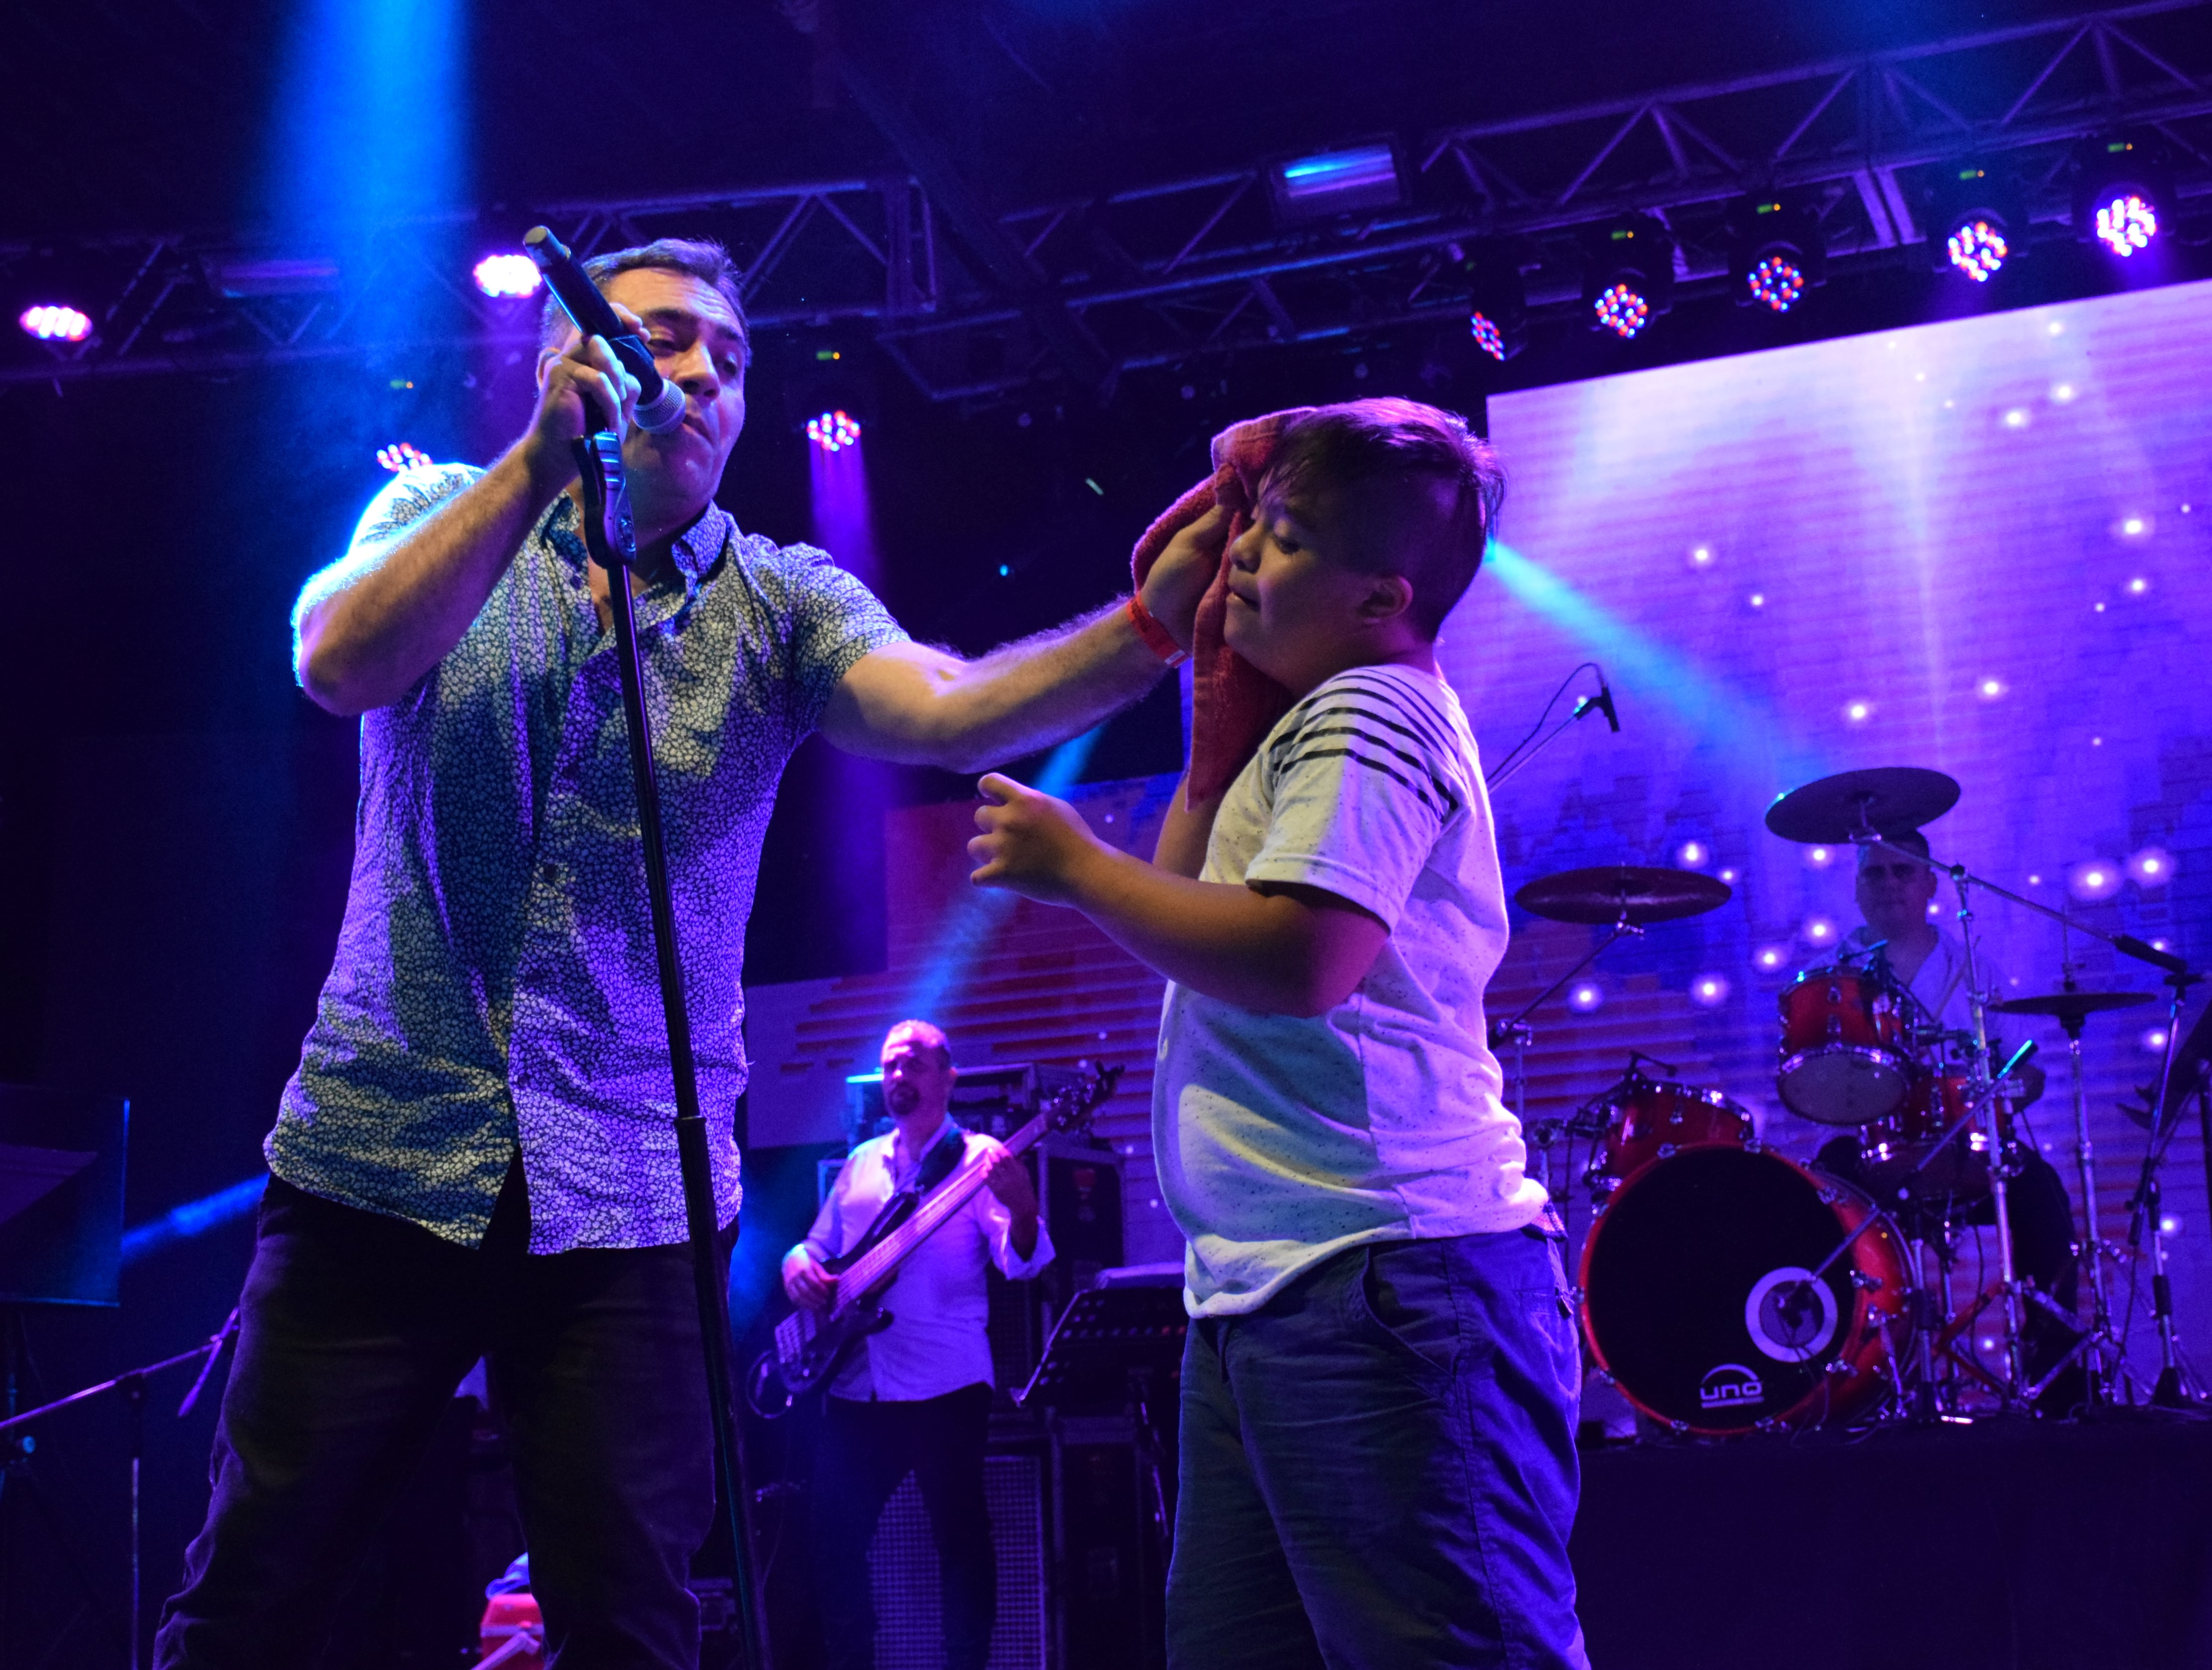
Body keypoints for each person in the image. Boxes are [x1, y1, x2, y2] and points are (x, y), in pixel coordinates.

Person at [155, 238, 1220, 1669]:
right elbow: (337, 659)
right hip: (382, 1153)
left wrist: (1151, 627)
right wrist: (538, 467)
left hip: (636, 1192)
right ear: (569, 358)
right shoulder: (435, 509)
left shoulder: (780, 601)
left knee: (634, 1621)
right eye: (666, 336)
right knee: (262, 1591)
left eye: (731, 352)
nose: (706, 372)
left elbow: (952, 707)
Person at [964, 399, 1587, 1669]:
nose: (1244, 556)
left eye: (1286, 539)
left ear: (1380, 597)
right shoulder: (1295, 732)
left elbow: (1301, 958)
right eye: (1253, 530)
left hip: (1388, 1277)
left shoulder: (1377, 714)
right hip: (1274, 1284)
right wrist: (1216, 685)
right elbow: (1191, 887)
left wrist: (1077, 868)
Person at [782, 1019, 1047, 1670]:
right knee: (830, 1537)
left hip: (945, 1387)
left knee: (960, 1541)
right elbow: (815, 1249)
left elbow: (1024, 1264)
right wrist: (795, 1265)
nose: (899, 1077)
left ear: (947, 1077)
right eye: (891, 1067)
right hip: (858, 1383)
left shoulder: (981, 1158)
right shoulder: (861, 1164)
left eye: (914, 1065)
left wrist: (1024, 1209)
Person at [1818, 831, 2088, 1409]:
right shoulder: (1828, 973)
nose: (1888, 884)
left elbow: (2029, 1069)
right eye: (1874, 874)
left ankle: (2058, 1383)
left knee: (2041, 1192)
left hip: (1965, 1148)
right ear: (1856, 889)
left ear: (1930, 885)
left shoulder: (1973, 965)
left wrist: (1997, 1097)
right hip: (1870, 1155)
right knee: (1820, 1198)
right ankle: (1845, 1383)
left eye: (1902, 872)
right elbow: (1806, 1073)